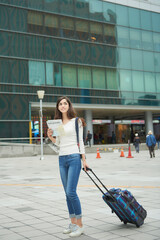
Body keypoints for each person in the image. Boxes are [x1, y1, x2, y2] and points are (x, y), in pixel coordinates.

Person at [47, 96, 89, 237]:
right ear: (58, 107)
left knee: (71, 192)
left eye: (65, 103)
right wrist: (51, 136)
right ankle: (72, 224)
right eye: (60, 104)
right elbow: (59, 143)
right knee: (67, 194)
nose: (63, 105)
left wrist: (84, 160)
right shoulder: (58, 124)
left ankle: (80, 225)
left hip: (74, 158)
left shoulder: (76, 121)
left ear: (69, 106)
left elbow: (81, 141)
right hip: (62, 158)